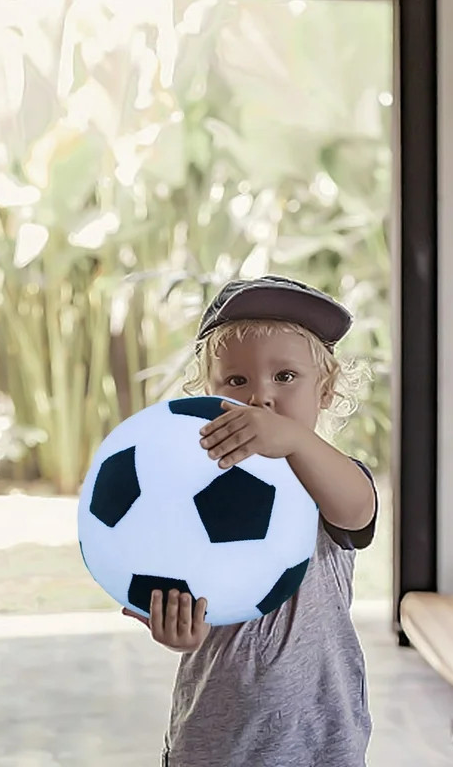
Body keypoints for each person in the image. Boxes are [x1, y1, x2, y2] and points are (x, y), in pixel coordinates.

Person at [122, 274, 379, 767]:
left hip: (322, 741)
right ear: (208, 394)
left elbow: (357, 509)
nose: (260, 397)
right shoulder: (193, 493)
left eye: (285, 377)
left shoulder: (329, 477)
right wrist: (184, 629)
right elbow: (187, 594)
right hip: (216, 738)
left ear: (325, 390)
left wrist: (294, 441)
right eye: (237, 381)